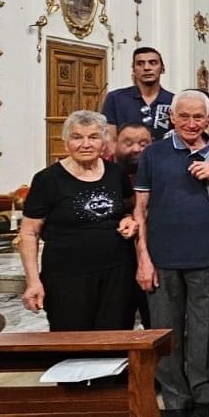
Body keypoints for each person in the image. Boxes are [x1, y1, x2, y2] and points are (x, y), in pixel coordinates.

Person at [132, 91, 209, 417]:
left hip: (205, 255)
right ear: (172, 117)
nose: (191, 123)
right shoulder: (154, 154)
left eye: (198, 117)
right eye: (184, 116)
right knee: (165, 330)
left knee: (204, 328)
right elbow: (140, 210)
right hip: (162, 257)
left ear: (208, 119)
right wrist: (143, 258)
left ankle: (207, 393)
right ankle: (175, 398)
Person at [18, 111, 140, 334]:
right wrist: (33, 281)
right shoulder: (47, 180)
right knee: (72, 341)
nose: (85, 144)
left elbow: (128, 209)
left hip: (117, 275)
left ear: (104, 142)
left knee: (116, 339)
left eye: (93, 137)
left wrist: (128, 220)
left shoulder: (116, 173)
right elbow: (29, 233)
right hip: (66, 277)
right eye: (77, 137)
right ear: (66, 142)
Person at [102, 47, 175, 139]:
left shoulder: (174, 101)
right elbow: (110, 139)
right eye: (140, 64)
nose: (146, 68)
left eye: (153, 63)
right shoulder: (115, 98)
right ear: (133, 70)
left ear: (162, 69)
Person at [114, 122, 154, 187]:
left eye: (143, 144)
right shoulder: (102, 169)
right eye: (129, 144)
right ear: (115, 143)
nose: (136, 149)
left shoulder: (161, 171)